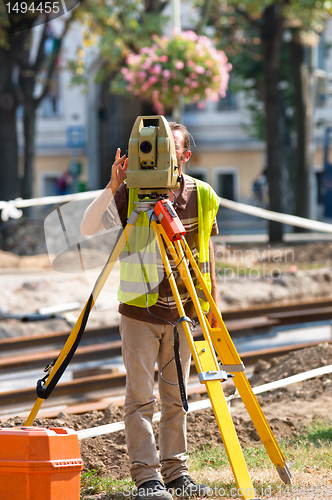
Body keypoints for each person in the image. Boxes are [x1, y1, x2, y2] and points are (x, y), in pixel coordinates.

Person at [81, 122, 220, 500]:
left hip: (184, 313)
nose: (157, 155)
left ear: (184, 157)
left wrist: (210, 305)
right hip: (140, 314)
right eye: (152, 147)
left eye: (168, 149)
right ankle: (148, 479)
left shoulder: (203, 195)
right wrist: (114, 186)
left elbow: (206, 251)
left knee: (177, 397)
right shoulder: (132, 193)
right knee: (140, 398)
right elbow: (88, 226)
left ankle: (177, 474)